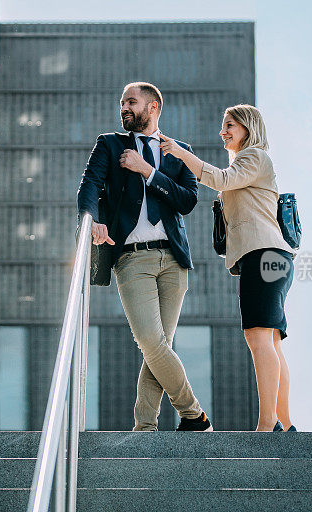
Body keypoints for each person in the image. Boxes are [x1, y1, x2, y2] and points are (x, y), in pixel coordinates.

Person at [77, 82, 213, 432]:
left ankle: (145, 427)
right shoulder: (109, 144)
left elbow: (187, 201)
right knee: (152, 342)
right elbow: (89, 186)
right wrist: (92, 221)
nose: (124, 107)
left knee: (158, 348)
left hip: (174, 261)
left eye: (131, 102)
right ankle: (193, 413)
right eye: (122, 102)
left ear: (152, 107)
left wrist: (146, 170)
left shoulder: (179, 151)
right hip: (132, 259)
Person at [158, 104, 297, 432]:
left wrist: (180, 154)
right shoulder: (248, 162)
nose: (223, 131)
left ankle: (268, 425)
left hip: (263, 256)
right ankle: (284, 424)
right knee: (269, 339)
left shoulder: (255, 157)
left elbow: (220, 178)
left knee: (259, 337)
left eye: (230, 125)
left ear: (249, 128)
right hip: (269, 257)